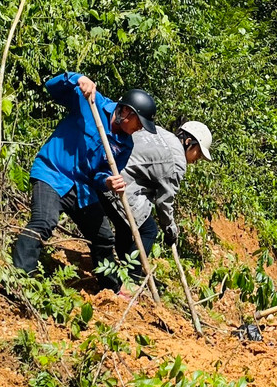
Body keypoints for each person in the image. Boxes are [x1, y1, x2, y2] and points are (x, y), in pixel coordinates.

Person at [11, 72, 156, 292]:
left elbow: (99, 175)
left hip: (83, 190)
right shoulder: (92, 100)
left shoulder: (126, 146)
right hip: (53, 173)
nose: (140, 128)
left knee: (104, 238)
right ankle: (20, 280)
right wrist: (76, 78)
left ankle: (112, 290)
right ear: (127, 112)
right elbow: (52, 88)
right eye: (139, 123)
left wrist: (108, 182)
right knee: (44, 222)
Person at [107, 120, 214, 283]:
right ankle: (132, 278)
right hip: (120, 185)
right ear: (188, 142)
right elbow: (164, 202)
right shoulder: (177, 162)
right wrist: (170, 228)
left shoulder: (161, 132)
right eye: (198, 154)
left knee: (127, 226)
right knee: (149, 231)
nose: (196, 160)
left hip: (107, 172)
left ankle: (123, 267)